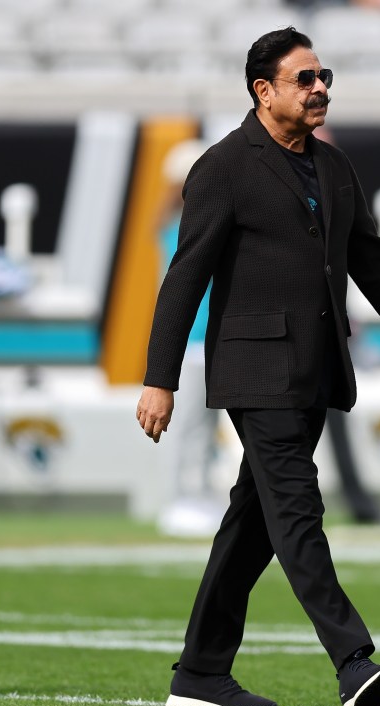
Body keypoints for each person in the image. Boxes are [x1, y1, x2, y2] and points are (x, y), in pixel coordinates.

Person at [136, 26, 380, 706]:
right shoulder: (223, 168)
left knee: (252, 523)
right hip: (254, 370)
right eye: (305, 79)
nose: (320, 90)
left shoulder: (332, 167)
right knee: (296, 510)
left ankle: (198, 675)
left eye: (325, 78)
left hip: (315, 369)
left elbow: (373, 260)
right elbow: (183, 278)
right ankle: (353, 664)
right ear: (264, 91)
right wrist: (159, 378)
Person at [154, 139, 226, 538]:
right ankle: (178, 499)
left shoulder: (183, 225)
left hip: (209, 341)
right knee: (188, 427)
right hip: (194, 343)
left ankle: (195, 495)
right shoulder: (179, 229)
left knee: (204, 427)